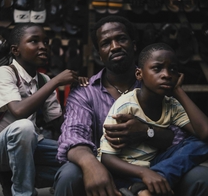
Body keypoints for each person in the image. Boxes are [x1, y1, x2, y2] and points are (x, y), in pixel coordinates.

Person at [54, 15, 208, 196]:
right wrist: (92, 165)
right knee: (69, 174)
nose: (115, 46)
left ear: (134, 45)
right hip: (106, 168)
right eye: (106, 43)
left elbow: (179, 140)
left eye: (121, 38)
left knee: (201, 174)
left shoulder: (158, 86)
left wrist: (145, 131)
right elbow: (73, 138)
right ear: (99, 53)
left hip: (157, 167)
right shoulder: (84, 93)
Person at [0, 23, 88, 196]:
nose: (43, 46)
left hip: (28, 145)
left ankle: (28, 180)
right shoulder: (4, 72)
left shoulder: (43, 79)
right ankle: (23, 192)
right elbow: (18, 111)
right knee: (24, 127)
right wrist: (55, 82)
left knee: (79, 154)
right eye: (34, 41)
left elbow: (58, 122)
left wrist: (80, 92)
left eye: (46, 42)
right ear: (15, 50)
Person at [99, 42, 208, 196]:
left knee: (200, 143)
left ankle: (146, 186)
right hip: (124, 172)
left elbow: (204, 132)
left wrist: (178, 91)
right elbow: (106, 158)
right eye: (157, 68)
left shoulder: (171, 105)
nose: (166, 75)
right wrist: (144, 173)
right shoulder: (126, 105)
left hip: (155, 167)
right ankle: (145, 184)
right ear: (139, 74)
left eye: (173, 70)